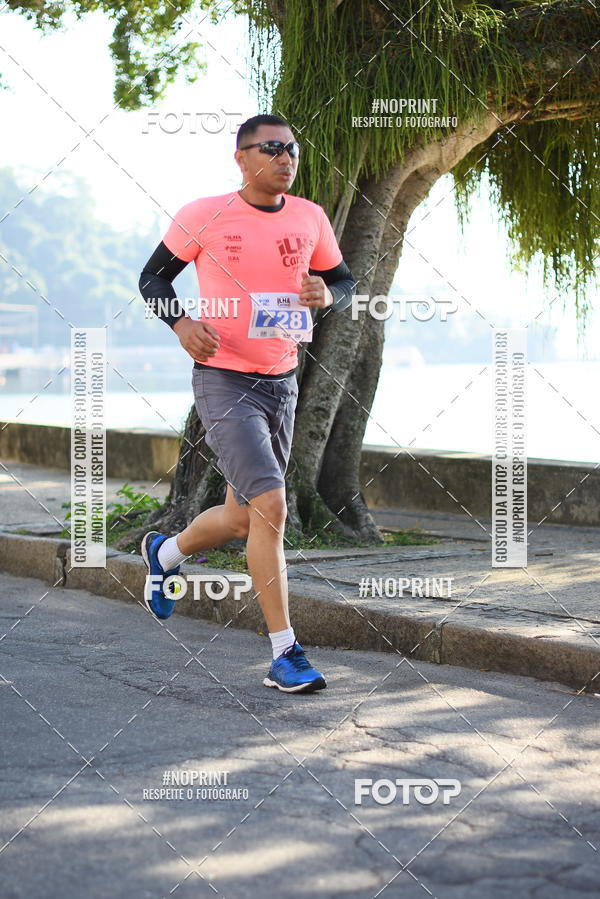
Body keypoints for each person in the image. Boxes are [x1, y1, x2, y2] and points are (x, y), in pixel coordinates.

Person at [138, 113, 356, 693]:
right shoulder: (203, 214)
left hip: (282, 380)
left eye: (293, 150)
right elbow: (153, 279)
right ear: (241, 157)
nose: (286, 158)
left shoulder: (310, 216)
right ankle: (285, 652)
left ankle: (164, 554)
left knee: (243, 517)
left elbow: (344, 282)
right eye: (273, 148)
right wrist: (182, 324)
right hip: (223, 380)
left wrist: (327, 292)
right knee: (272, 506)